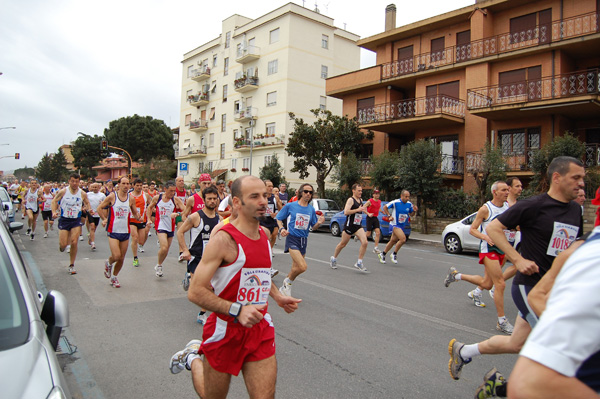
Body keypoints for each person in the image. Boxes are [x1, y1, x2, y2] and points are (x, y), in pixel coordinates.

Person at [446, 156, 584, 381]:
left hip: (555, 290)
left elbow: (572, 248)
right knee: (556, 345)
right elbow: (493, 228)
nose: (581, 184)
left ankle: (464, 351)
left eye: (583, 179)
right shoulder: (534, 205)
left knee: (516, 343)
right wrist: (518, 260)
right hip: (530, 287)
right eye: (575, 177)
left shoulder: (575, 211)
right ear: (557, 178)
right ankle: (505, 388)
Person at [169, 176, 301, 398]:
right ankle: (192, 357)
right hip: (224, 330)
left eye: (265, 196)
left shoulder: (265, 235)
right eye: (255, 196)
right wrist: (237, 310)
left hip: (258, 329)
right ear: (237, 203)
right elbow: (195, 291)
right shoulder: (223, 240)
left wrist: (277, 296)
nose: (263, 202)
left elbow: (258, 275)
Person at [444, 181, 515, 333]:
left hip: (502, 248)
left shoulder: (508, 207)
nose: (507, 193)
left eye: (508, 190)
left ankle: (457, 276)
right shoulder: (486, 209)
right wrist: (485, 237)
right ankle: (502, 321)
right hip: (488, 249)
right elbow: (473, 229)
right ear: (495, 192)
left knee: (487, 284)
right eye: (504, 190)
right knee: (500, 283)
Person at [177, 185, 220, 325]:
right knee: (204, 288)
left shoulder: (218, 219)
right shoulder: (196, 217)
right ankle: (190, 276)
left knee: (212, 288)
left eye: (215, 198)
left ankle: (202, 314)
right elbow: (180, 232)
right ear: (204, 199)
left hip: (212, 259)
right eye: (209, 199)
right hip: (196, 258)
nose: (212, 201)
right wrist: (185, 250)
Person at [276, 183, 325, 296]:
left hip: (303, 240)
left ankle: (285, 288)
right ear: (301, 192)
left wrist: (319, 223)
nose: (308, 194)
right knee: (303, 267)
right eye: (306, 191)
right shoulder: (291, 206)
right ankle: (287, 282)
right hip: (292, 239)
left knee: (296, 267)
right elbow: (279, 218)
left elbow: (313, 226)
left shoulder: (311, 209)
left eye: (310, 192)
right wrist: (282, 228)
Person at [97, 177, 140, 288]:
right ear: (119, 185)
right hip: (113, 230)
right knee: (116, 255)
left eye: (128, 184)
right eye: (124, 183)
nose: (126, 186)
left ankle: (114, 277)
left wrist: (139, 217)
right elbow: (99, 208)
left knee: (121, 258)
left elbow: (135, 213)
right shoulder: (112, 196)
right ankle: (109, 262)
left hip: (125, 231)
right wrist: (104, 219)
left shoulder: (131, 199)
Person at [51, 174, 91, 275]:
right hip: (64, 219)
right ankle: (62, 247)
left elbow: (87, 203)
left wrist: (88, 209)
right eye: (72, 181)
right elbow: (54, 201)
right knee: (63, 244)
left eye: (76, 181)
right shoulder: (64, 191)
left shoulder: (82, 193)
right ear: (69, 181)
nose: (74, 183)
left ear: (79, 182)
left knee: (74, 242)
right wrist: (54, 212)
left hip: (75, 220)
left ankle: (71, 265)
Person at [146, 181, 186, 277]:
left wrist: (178, 214)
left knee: (166, 250)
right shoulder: (157, 198)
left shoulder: (175, 200)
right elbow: (149, 208)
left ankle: (159, 263)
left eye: (174, 191)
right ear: (165, 189)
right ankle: (159, 266)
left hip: (170, 227)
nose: (172, 193)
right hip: (160, 226)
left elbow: (186, 210)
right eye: (170, 191)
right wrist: (148, 219)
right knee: (164, 247)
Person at [330, 183, 369, 272]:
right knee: (343, 244)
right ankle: (334, 258)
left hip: (358, 225)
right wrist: (357, 210)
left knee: (365, 242)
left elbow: (361, 209)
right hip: (349, 225)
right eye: (359, 191)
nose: (360, 192)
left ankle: (359, 262)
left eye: (361, 191)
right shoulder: (350, 200)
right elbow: (346, 212)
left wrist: (367, 213)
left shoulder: (361, 200)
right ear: (353, 190)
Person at [378, 190, 417, 265]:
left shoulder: (409, 204)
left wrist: (414, 211)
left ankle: (382, 254)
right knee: (403, 239)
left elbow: (411, 214)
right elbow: (385, 207)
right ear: (401, 196)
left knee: (393, 241)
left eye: (408, 196)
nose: (407, 198)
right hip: (394, 224)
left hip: (402, 225)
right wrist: (389, 216)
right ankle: (394, 254)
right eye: (406, 196)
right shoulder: (395, 202)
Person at [129, 179, 152, 266]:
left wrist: (151, 214)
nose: (139, 187)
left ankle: (139, 246)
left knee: (141, 241)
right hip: (132, 220)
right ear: (133, 186)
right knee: (134, 237)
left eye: (140, 185)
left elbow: (150, 206)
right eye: (137, 185)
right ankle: (135, 258)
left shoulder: (145, 195)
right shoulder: (129, 196)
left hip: (142, 220)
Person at [364, 189, 383, 254]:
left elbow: (378, 207)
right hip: (369, 218)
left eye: (378, 194)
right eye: (376, 194)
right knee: (368, 233)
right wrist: (368, 213)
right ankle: (359, 236)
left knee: (378, 233)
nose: (377, 195)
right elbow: (363, 208)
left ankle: (376, 248)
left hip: (375, 218)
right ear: (373, 195)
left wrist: (382, 211)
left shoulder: (379, 201)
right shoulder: (370, 201)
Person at [174, 176, 189, 259]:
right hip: (172, 212)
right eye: (179, 181)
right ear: (176, 182)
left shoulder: (185, 192)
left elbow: (186, 203)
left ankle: (181, 251)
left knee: (181, 230)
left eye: (182, 181)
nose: (181, 182)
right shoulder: (174, 191)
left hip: (180, 213)